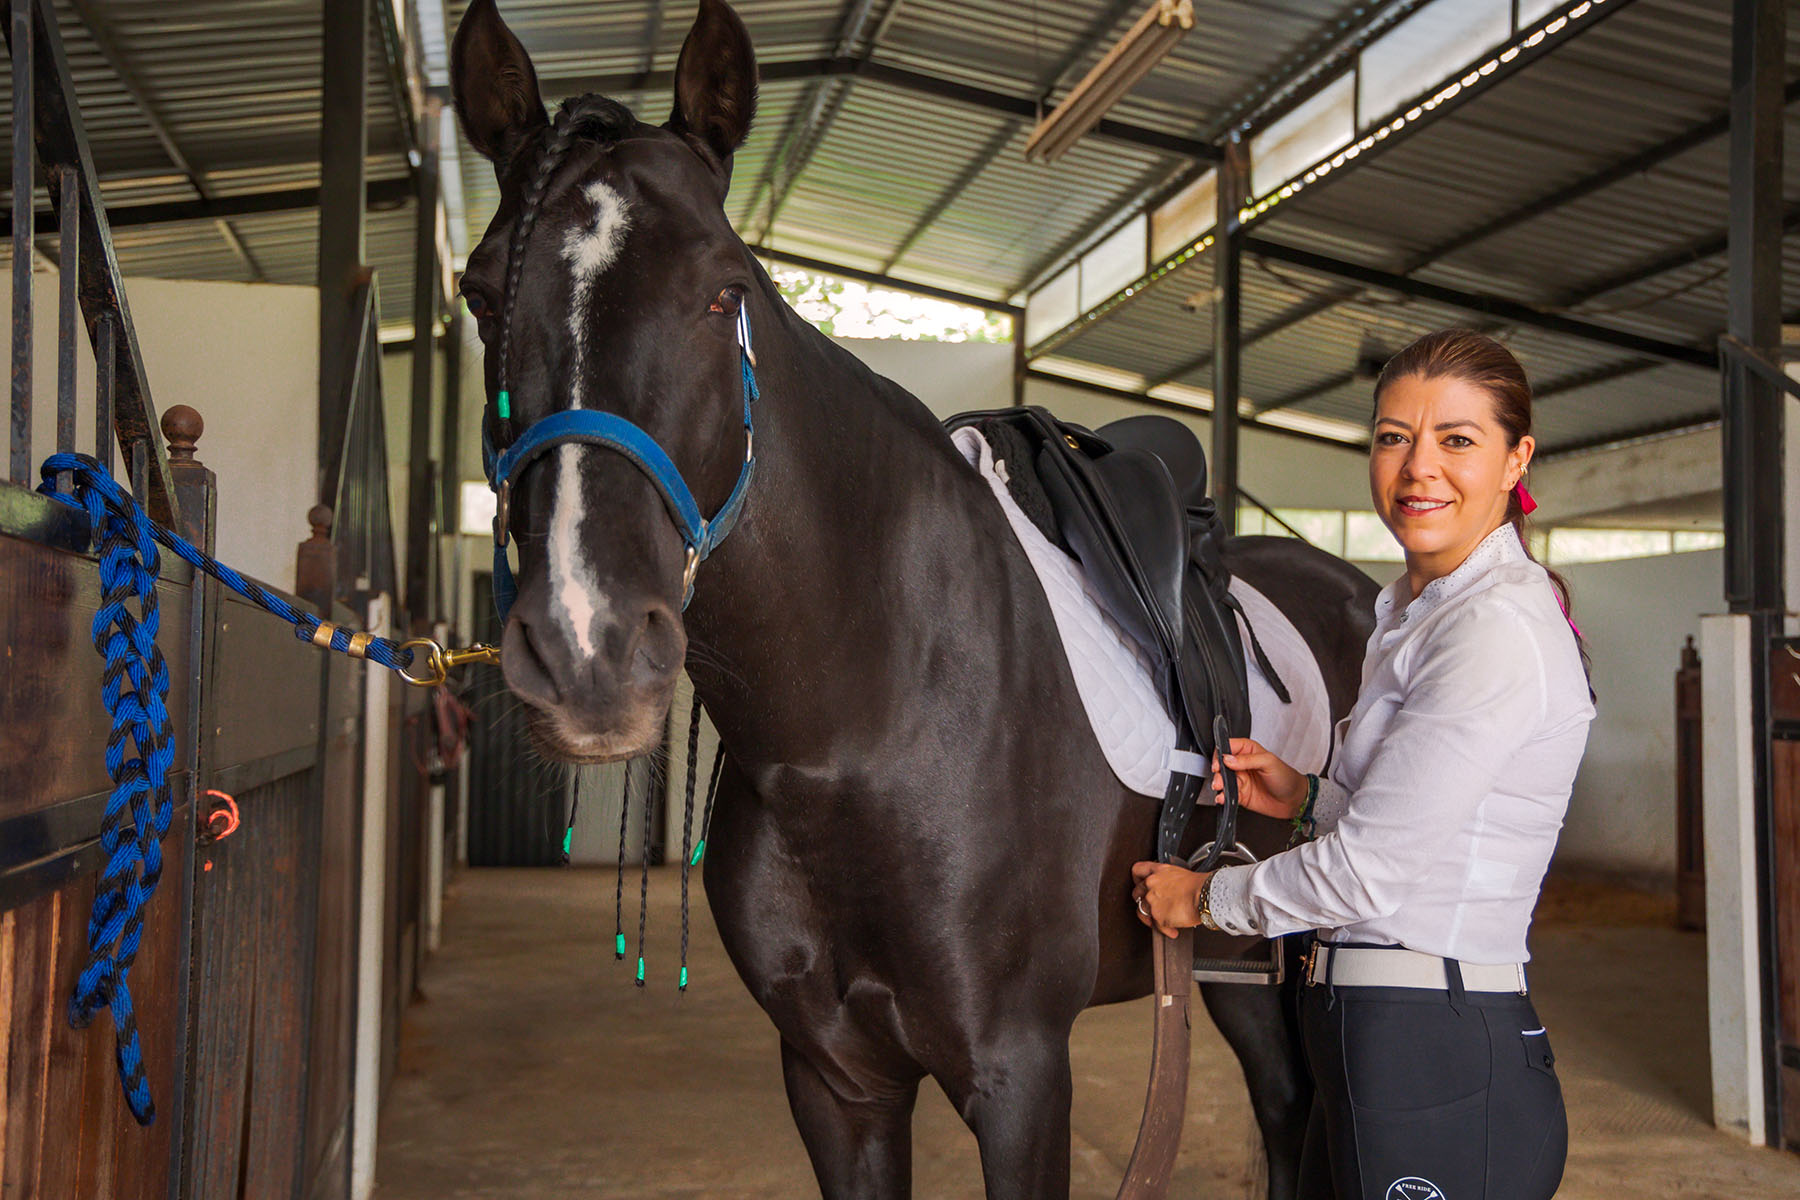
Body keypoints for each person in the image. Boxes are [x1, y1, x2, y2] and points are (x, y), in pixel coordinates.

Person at [1132, 328, 1595, 1200]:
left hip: (1434, 1049)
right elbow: (1415, 823)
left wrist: (1204, 900)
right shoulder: (1415, 612)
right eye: (1393, 437)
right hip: (1372, 1032)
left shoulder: (1491, 628)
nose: (1418, 467)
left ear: (1515, 459)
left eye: (1457, 440)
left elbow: (1372, 872)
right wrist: (1307, 797)